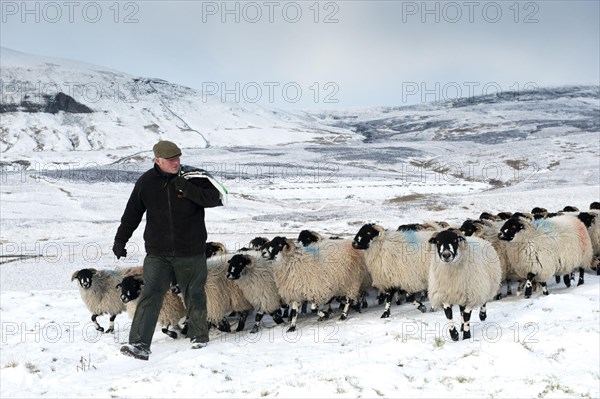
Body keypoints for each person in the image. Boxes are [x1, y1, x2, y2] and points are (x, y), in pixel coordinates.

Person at [113, 140, 224, 360]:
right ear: (157, 160)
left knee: (194, 294)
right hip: (158, 253)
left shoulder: (194, 177)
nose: (176, 163)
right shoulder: (146, 182)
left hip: (191, 251)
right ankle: (138, 344)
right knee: (151, 294)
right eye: (171, 160)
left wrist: (188, 189)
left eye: (178, 158)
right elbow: (132, 214)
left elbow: (216, 199)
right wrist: (120, 240)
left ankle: (199, 338)